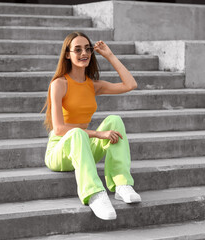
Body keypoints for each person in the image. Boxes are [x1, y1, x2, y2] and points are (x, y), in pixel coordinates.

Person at [42, 31, 141, 221]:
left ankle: (121, 184)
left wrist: (109, 55)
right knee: (78, 133)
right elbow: (60, 129)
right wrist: (98, 134)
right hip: (59, 151)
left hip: (84, 147)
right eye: (77, 49)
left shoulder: (92, 85)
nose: (83, 53)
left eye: (87, 49)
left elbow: (130, 84)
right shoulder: (59, 83)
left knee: (115, 120)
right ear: (67, 55)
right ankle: (94, 194)